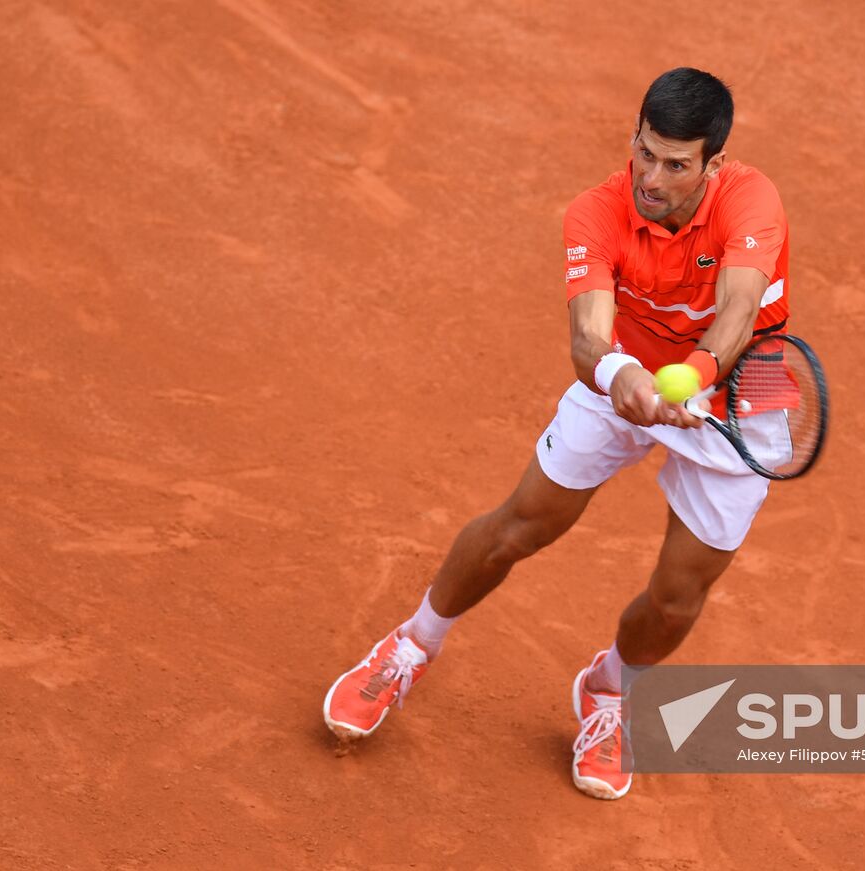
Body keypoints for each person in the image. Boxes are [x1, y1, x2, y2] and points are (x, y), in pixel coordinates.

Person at [323, 67, 790, 801]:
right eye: (645, 152)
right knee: (521, 525)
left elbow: (736, 314)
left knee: (677, 597)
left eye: (676, 164)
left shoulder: (753, 200)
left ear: (714, 165)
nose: (652, 177)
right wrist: (623, 378)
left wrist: (693, 377)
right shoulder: (595, 213)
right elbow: (587, 337)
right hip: (630, 370)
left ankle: (608, 692)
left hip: (743, 389)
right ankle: (412, 643)